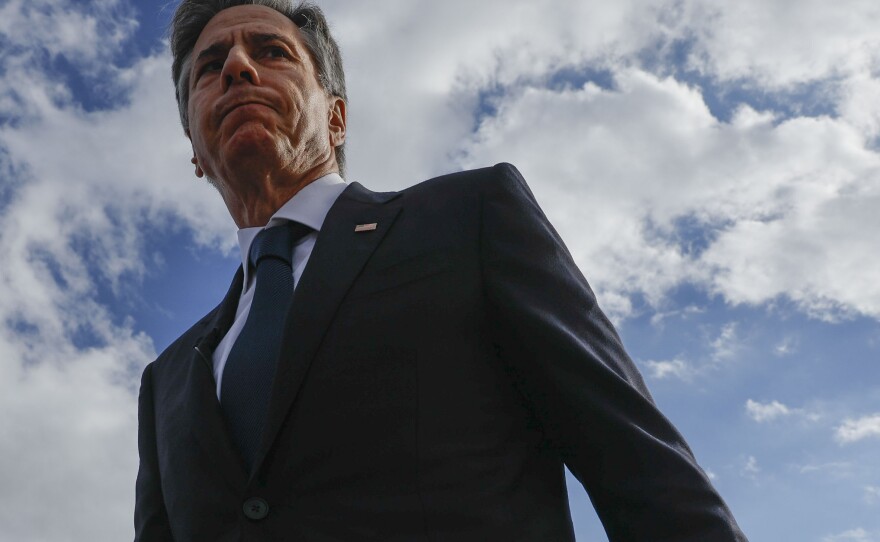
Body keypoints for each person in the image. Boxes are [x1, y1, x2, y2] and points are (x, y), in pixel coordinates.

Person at [134, 1, 749, 540]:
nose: (238, 68)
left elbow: (642, 469)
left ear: (337, 117)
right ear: (195, 149)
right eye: (210, 68)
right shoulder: (166, 383)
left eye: (272, 52)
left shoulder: (471, 219)